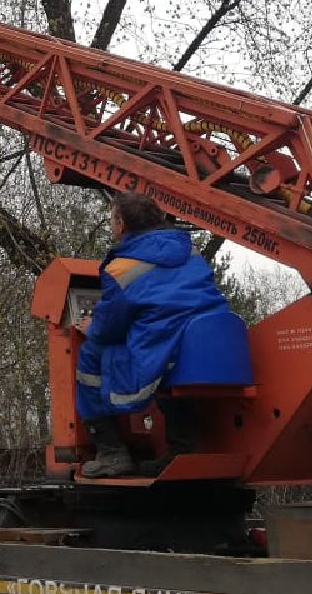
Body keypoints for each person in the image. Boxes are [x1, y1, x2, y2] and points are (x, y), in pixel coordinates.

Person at [74, 191, 236, 478]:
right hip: (213, 342)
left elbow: (109, 327)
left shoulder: (121, 267)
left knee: (91, 354)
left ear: (121, 224)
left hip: (168, 346)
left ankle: (111, 452)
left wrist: (92, 327)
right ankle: (182, 449)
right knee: (170, 365)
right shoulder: (189, 250)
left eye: (112, 218)